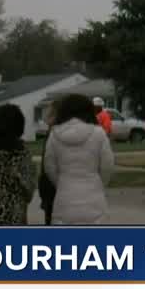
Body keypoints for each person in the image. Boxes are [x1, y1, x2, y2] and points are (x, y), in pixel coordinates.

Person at [45, 94, 115, 224]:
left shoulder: (54, 135)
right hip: (94, 201)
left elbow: (49, 168)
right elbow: (107, 167)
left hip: (64, 200)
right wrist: (99, 184)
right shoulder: (99, 134)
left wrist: (61, 183)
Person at [38, 102, 58, 225]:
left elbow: (48, 164)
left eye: (49, 112)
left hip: (52, 185)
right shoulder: (51, 131)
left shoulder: (54, 134)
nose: (46, 116)